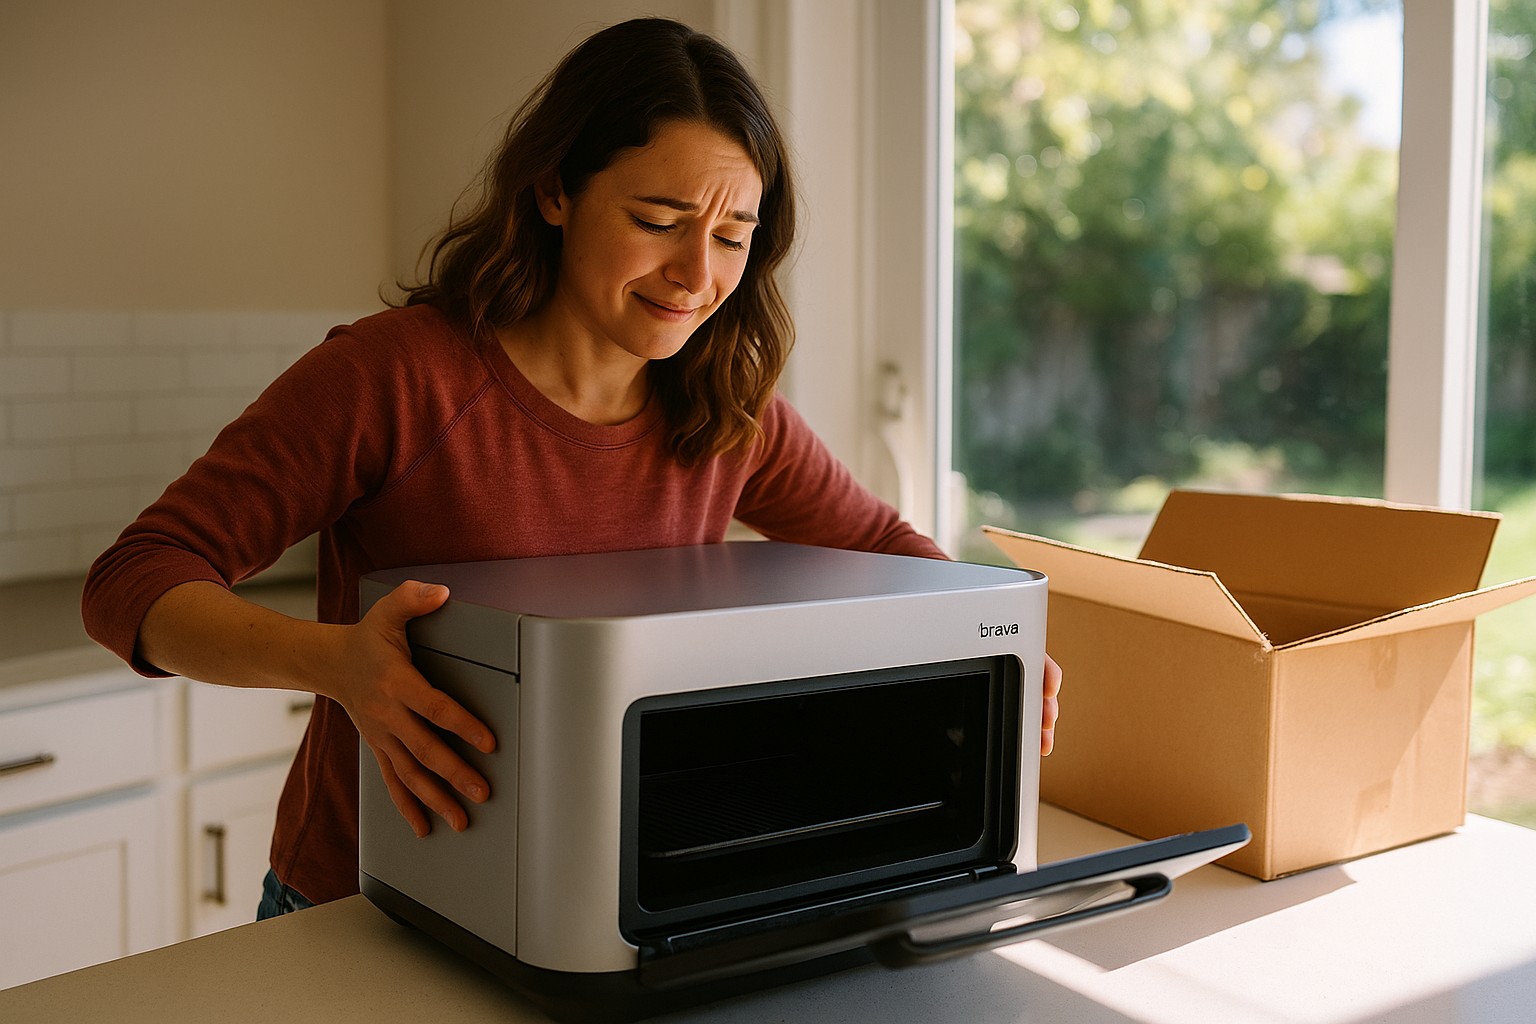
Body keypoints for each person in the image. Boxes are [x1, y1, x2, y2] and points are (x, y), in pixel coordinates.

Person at [81, 16, 1061, 919]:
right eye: (659, 218)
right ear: (554, 190)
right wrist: (333, 663)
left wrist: (999, 652)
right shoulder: (398, 375)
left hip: (614, 912)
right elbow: (136, 578)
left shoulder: (727, 410)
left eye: (731, 236)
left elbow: (886, 549)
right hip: (366, 903)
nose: (696, 274)